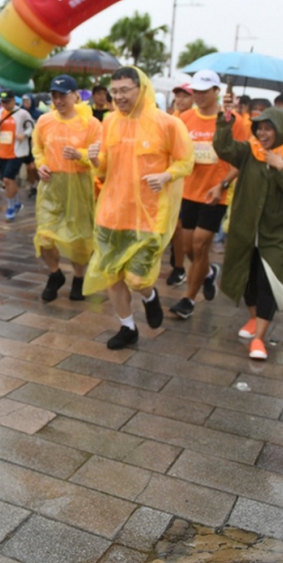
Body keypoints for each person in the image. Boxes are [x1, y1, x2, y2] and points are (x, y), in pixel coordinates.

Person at [83, 66, 193, 350]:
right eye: (114, 91)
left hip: (149, 215)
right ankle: (127, 326)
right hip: (111, 212)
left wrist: (166, 175)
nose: (118, 97)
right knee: (112, 274)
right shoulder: (109, 122)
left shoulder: (167, 124)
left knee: (137, 278)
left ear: (141, 89)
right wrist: (94, 159)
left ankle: (149, 296)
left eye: (124, 90)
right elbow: (104, 168)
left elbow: (185, 161)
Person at [214, 98, 283, 359]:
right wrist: (226, 118)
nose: (262, 133)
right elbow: (223, 148)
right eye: (259, 128)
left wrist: (282, 167)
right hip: (246, 230)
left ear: (280, 129)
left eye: (268, 128)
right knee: (246, 278)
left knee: (267, 283)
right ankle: (253, 317)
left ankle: (259, 337)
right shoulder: (250, 151)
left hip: (277, 235)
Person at [169, 70, 246, 319]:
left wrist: (223, 184)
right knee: (188, 248)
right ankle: (209, 272)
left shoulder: (233, 121)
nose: (199, 96)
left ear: (217, 91)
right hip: (187, 190)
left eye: (204, 91)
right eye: (196, 91)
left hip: (216, 193)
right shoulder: (184, 118)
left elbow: (242, 159)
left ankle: (189, 299)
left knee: (200, 244)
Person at [33, 74, 101, 301]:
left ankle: (79, 278)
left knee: (78, 236)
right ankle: (55, 274)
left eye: (63, 95)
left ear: (75, 96)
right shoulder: (44, 121)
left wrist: (80, 155)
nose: (58, 100)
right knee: (44, 236)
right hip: (51, 186)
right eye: (54, 96)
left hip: (78, 186)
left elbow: (101, 156)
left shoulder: (91, 124)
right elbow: (38, 148)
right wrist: (41, 164)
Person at [166, 78, 197, 286]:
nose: (181, 99)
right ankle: (179, 262)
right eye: (178, 95)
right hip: (170, 179)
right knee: (173, 226)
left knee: (180, 228)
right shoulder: (170, 119)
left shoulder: (196, 120)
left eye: (185, 96)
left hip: (192, 183)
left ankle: (181, 267)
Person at [0, 90, 35, 221]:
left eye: (7, 102)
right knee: (9, 181)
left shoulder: (22, 114)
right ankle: (16, 203)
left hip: (17, 152)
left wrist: (24, 135)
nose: (5, 104)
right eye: (3, 102)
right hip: (2, 151)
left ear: (14, 101)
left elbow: (31, 126)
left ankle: (11, 207)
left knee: (7, 180)